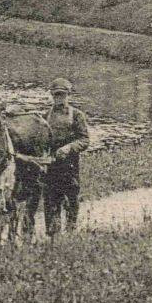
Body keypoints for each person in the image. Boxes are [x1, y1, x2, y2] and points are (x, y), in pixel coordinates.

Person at [41, 78, 91, 234]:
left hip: (69, 163)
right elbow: (41, 139)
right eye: (56, 95)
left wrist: (69, 147)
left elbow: (84, 140)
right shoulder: (45, 116)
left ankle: (70, 230)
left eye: (62, 95)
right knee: (50, 199)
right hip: (50, 163)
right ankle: (52, 233)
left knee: (71, 197)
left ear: (68, 95)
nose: (59, 98)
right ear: (52, 95)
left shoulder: (77, 115)